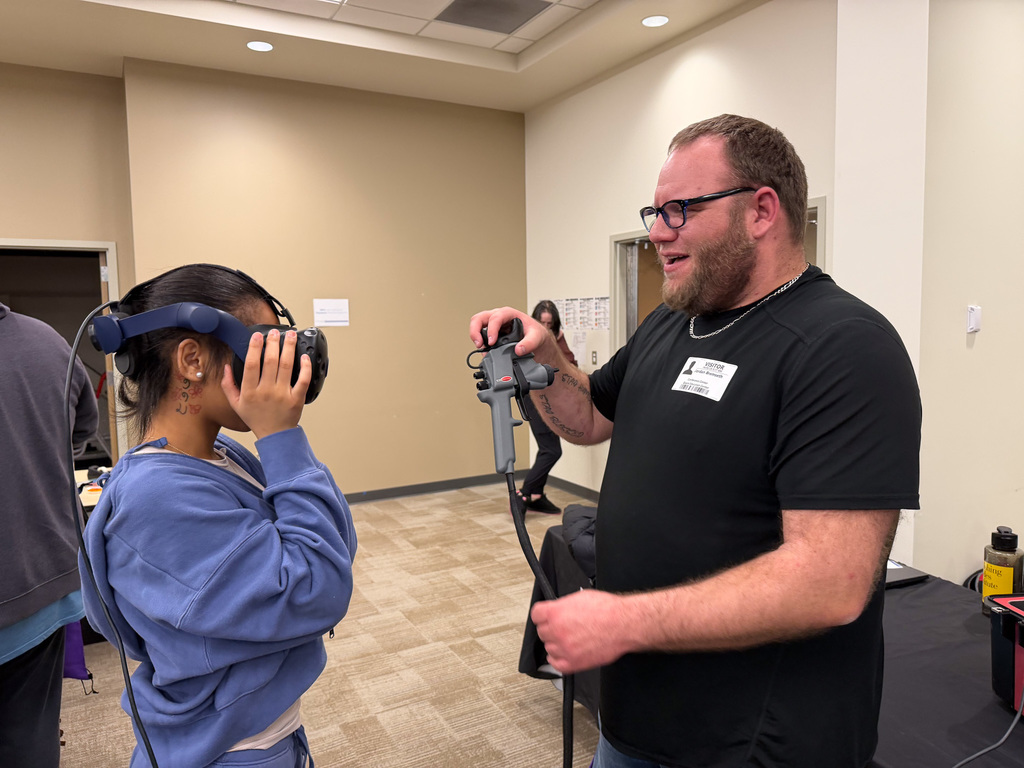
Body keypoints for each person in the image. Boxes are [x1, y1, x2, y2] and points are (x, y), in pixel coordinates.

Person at [470, 115, 921, 768]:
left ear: (761, 210)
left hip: (751, 743)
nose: (657, 231)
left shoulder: (843, 347)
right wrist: (541, 363)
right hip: (637, 719)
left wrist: (622, 622)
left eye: (680, 209)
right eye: (656, 210)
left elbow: (832, 582)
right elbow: (590, 414)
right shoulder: (670, 324)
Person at [79, 264, 357, 768]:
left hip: (268, 732)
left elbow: (333, 543)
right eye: (260, 348)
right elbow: (318, 591)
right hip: (228, 752)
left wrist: (280, 442)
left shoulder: (221, 452)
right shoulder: (157, 498)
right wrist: (280, 438)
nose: (277, 368)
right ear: (192, 360)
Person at [0, 301, 99, 768]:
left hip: (33, 592)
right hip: (41, 585)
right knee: (29, 742)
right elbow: (79, 433)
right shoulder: (49, 343)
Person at [517, 300, 577, 514]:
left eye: (549, 323)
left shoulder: (556, 337)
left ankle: (536, 495)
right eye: (542, 322)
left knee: (548, 449)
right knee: (551, 450)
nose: (546, 327)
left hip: (550, 398)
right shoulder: (526, 340)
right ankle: (522, 495)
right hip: (532, 397)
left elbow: (571, 364)